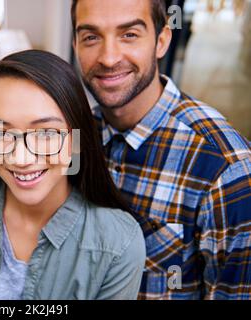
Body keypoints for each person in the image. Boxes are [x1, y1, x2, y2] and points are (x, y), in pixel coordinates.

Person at [72, 0, 251, 299]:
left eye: (129, 34)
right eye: (91, 37)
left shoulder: (225, 168)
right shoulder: (72, 138)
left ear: (162, 40)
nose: (108, 57)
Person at [0, 50, 146, 300]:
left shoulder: (118, 244)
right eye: (1, 133)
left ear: (77, 139)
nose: (21, 159)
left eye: (46, 134)